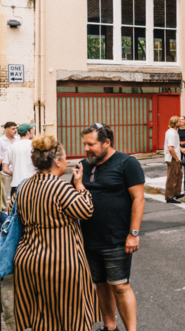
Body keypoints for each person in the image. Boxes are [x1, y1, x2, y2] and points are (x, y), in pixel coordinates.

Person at [13, 135, 98, 331]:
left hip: (28, 258)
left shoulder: (24, 185)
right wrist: (80, 186)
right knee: (71, 315)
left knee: (42, 315)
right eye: (65, 157)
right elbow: (86, 210)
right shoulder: (60, 186)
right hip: (60, 259)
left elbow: (14, 210)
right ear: (57, 161)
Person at [79, 123, 145, 331]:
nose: (86, 149)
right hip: (89, 238)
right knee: (100, 284)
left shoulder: (127, 163)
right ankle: (110, 327)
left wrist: (133, 233)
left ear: (107, 143)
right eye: (85, 144)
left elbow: (139, 199)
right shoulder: (84, 165)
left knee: (120, 285)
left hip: (117, 237)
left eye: (91, 144)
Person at [2, 123, 36, 196]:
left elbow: (5, 169)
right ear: (27, 132)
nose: (33, 132)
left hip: (16, 184)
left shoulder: (11, 147)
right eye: (32, 130)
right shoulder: (34, 146)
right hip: (32, 184)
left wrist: (15, 173)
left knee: (16, 207)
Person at [0, 121, 19, 209]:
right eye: (13, 129)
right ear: (6, 130)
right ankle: (4, 209)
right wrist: (2, 169)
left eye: (16, 128)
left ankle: (15, 207)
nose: (15, 130)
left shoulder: (18, 140)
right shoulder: (0, 141)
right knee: (4, 192)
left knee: (17, 190)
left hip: (16, 169)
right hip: (5, 170)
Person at [164, 116, 183, 204]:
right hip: (172, 158)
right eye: (179, 121)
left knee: (178, 174)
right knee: (172, 177)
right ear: (176, 123)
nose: (181, 122)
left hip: (174, 157)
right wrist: (176, 159)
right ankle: (169, 197)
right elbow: (171, 148)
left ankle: (176, 193)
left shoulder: (174, 132)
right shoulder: (172, 133)